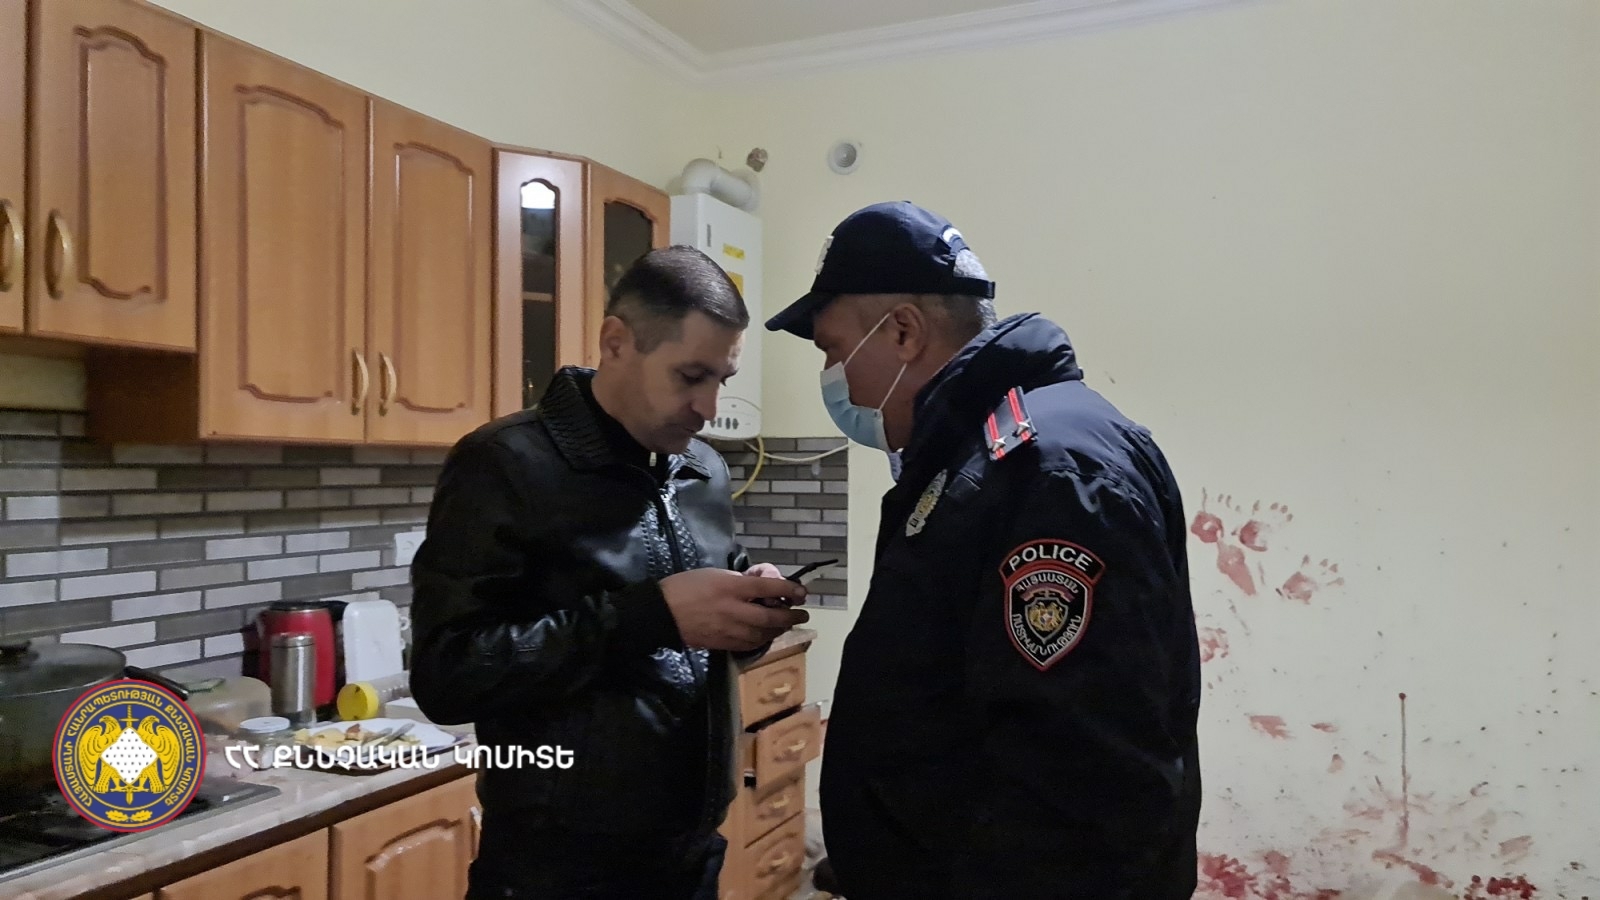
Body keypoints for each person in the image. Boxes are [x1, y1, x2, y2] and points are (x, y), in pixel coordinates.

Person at [765, 201, 1202, 899]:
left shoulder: (1045, 471)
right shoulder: (979, 456)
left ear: (903, 331)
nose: (834, 374)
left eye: (833, 350)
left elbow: (1078, 789)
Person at [410, 245, 810, 900]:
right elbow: (447, 674)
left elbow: (696, 633)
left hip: (691, 853)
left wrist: (748, 607)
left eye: (722, 379)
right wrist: (650, 616)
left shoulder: (703, 470)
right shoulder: (504, 464)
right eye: (691, 376)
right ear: (616, 342)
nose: (709, 407)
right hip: (557, 874)